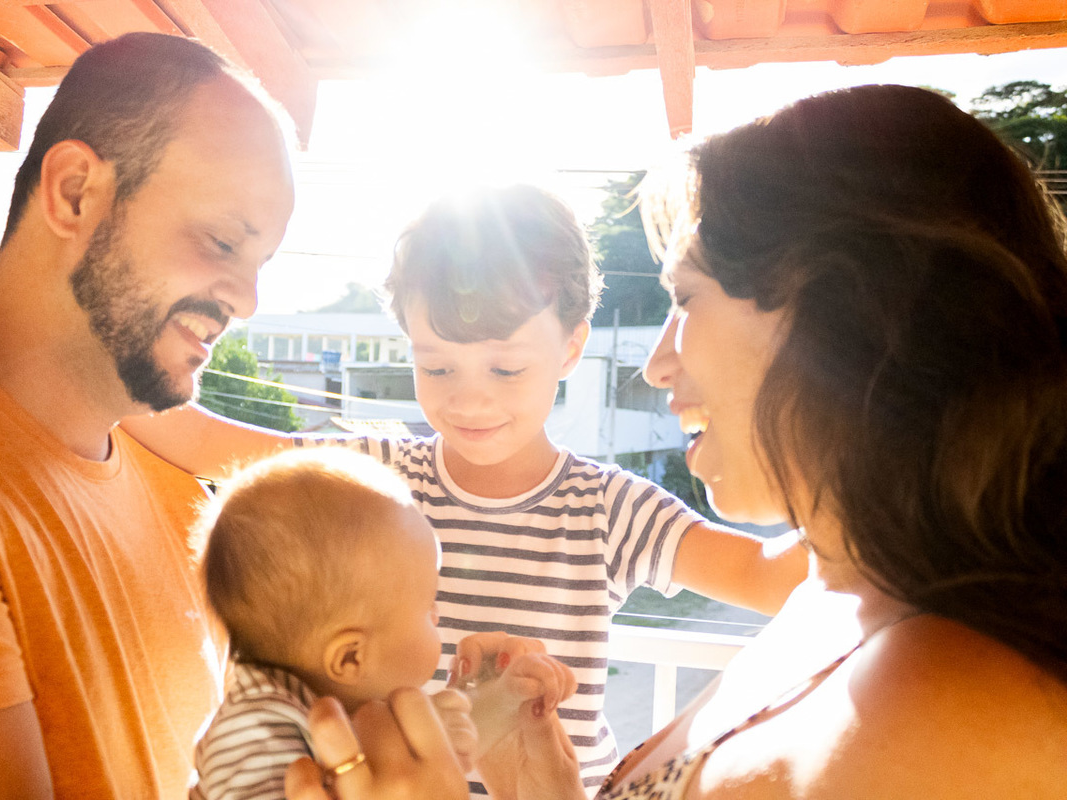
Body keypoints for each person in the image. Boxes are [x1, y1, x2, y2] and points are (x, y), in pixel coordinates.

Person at [283, 84, 1067, 800]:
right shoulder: (836, 601)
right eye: (438, 363)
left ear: (849, 317)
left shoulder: (962, 712)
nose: (657, 364)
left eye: (684, 298)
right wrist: (539, 782)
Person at [110, 183, 809, 795]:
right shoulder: (373, 480)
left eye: (505, 370)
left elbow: (764, 572)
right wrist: (99, 356)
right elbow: (215, 446)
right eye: (437, 369)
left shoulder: (609, 508)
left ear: (570, 347)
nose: (469, 402)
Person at [0, 32, 295, 800]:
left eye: (258, 265)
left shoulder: (167, 472)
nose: (247, 300)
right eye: (223, 240)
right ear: (74, 193)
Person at [189, 447, 574, 800]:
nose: (437, 617)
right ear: (351, 658)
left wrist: (504, 697)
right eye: (428, 608)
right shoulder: (258, 731)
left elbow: (416, 767)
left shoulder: (341, 706)